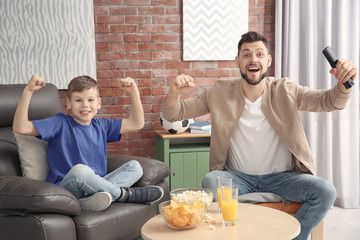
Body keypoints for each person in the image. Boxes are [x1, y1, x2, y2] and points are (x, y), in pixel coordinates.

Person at [161, 31, 357, 239]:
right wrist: (174, 91)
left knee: (326, 191)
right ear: (237, 61)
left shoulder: (285, 89)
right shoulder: (218, 92)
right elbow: (173, 114)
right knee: (211, 181)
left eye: (259, 54)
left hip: (282, 179)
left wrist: (344, 84)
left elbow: (328, 101)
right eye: (246, 54)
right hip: (237, 178)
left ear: (268, 61)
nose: (253, 59)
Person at [13, 74, 164, 211]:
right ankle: (124, 194)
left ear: (98, 103)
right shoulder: (60, 123)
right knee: (81, 170)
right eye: (78, 100)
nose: (85, 105)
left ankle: (89, 202)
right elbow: (20, 127)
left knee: (135, 167)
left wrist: (133, 93)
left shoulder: (102, 126)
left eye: (90, 100)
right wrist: (28, 91)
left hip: (97, 185)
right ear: (69, 104)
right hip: (68, 187)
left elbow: (136, 123)